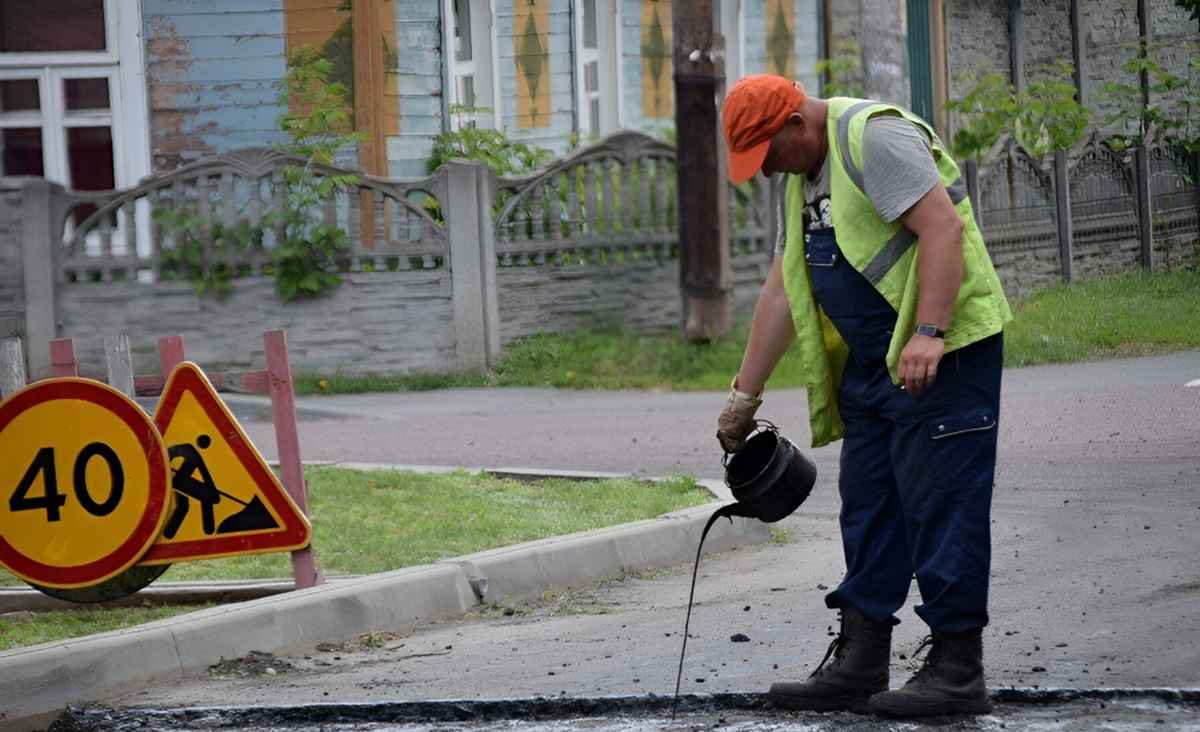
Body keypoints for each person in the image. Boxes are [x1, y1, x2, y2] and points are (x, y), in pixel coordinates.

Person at [715, 75, 1012, 718]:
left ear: (796, 123)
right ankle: (861, 658)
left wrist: (929, 332)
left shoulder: (872, 138)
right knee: (870, 504)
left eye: (767, 154)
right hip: (875, 365)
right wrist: (745, 394)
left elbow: (941, 231)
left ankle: (958, 667)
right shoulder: (802, 178)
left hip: (942, 349)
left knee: (942, 502)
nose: (766, 172)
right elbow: (781, 287)